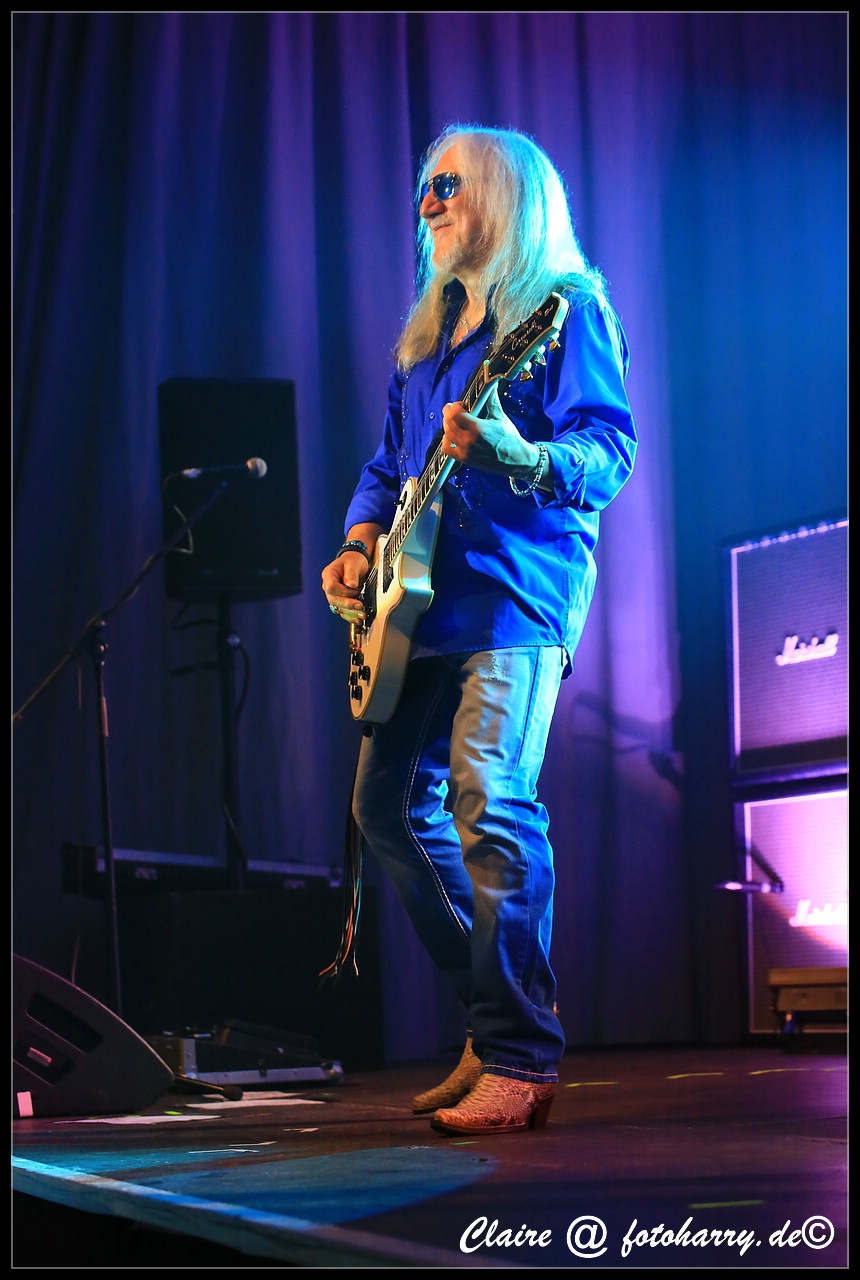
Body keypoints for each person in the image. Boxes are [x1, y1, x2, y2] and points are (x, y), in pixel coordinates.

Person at [321, 123, 636, 1136]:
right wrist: (359, 542)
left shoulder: (564, 310)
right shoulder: (429, 336)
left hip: (513, 597)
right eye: (425, 186)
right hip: (418, 610)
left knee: (489, 799)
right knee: (383, 807)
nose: (428, 203)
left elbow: (607, 452)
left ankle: (517, 1054)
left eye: (448, 184)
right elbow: (388, 463)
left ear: (506, 195)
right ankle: (498, 1017)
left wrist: (517, 453)